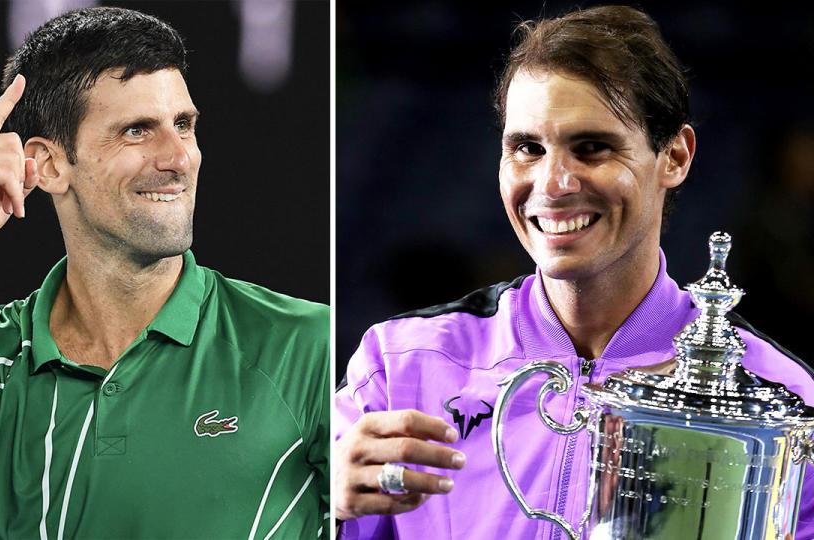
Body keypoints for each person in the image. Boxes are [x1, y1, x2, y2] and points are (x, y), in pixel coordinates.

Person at [334, 5, 814, 539]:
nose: (554, 182)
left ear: (674, 156)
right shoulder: (402, 367)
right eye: (527, 149)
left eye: (592, 148)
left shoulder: (783, 404)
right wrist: (319, 510)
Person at [0, 7, 329, 539]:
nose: (178, 157)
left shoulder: (308, 345)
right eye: (135, 131)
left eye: (184, 125)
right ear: (50, 165)